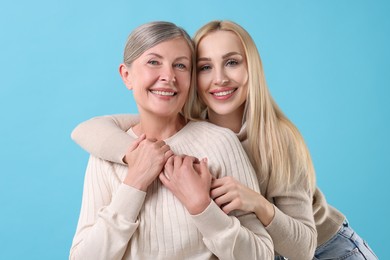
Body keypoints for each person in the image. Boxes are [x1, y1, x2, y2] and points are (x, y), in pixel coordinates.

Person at [71, 21, 378, 260]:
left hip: (326, 247)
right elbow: (89, 129)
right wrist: (138, 163)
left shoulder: (272, 139)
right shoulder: (174, 128)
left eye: (232, 62)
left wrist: (253, 204)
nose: (219, 78)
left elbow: (300, 249)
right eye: (205, 66)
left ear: (251, 69)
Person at [69, 21, 274, 260]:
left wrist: (202, 207)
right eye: (154, 62)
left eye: (180, 65)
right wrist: (134, 183)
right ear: (127, 75)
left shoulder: (221, 143)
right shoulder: (107, 154)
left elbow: (263, 255)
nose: (168, 76)